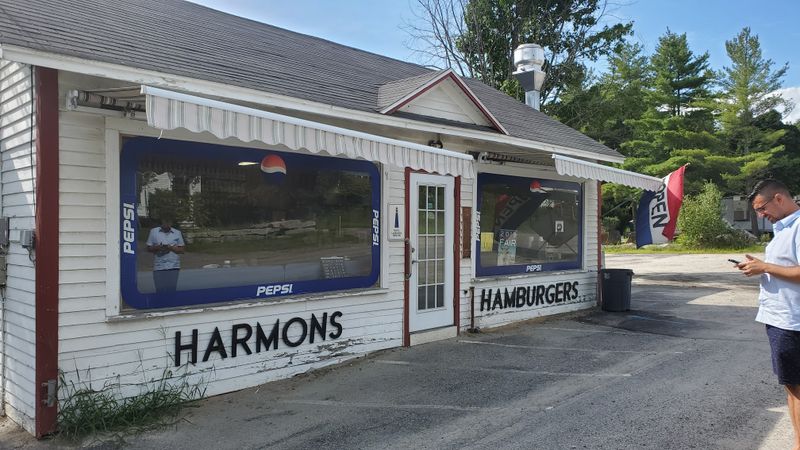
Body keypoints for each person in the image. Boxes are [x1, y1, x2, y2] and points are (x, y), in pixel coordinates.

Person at [737, 179, 800, 449]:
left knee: (796, 388)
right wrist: (760, 266)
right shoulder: (782, 229)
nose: (761, 215)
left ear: (779, 198)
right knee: (791, 386)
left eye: (762, 208)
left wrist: (765, 268)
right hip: (781, 318)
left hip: (792, 320)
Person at [146, 216, 185, 292]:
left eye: (169, 222)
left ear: (171, 223)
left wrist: (171, 248)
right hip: (159, 266)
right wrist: (157, 247)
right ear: (162, 222)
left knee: (171, 290)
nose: (167, 224)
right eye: (165, 222)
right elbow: (148, 248)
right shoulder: (153, 232)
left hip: (173, 266)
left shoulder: (177, 233)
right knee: (160, 290)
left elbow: (182, 250)